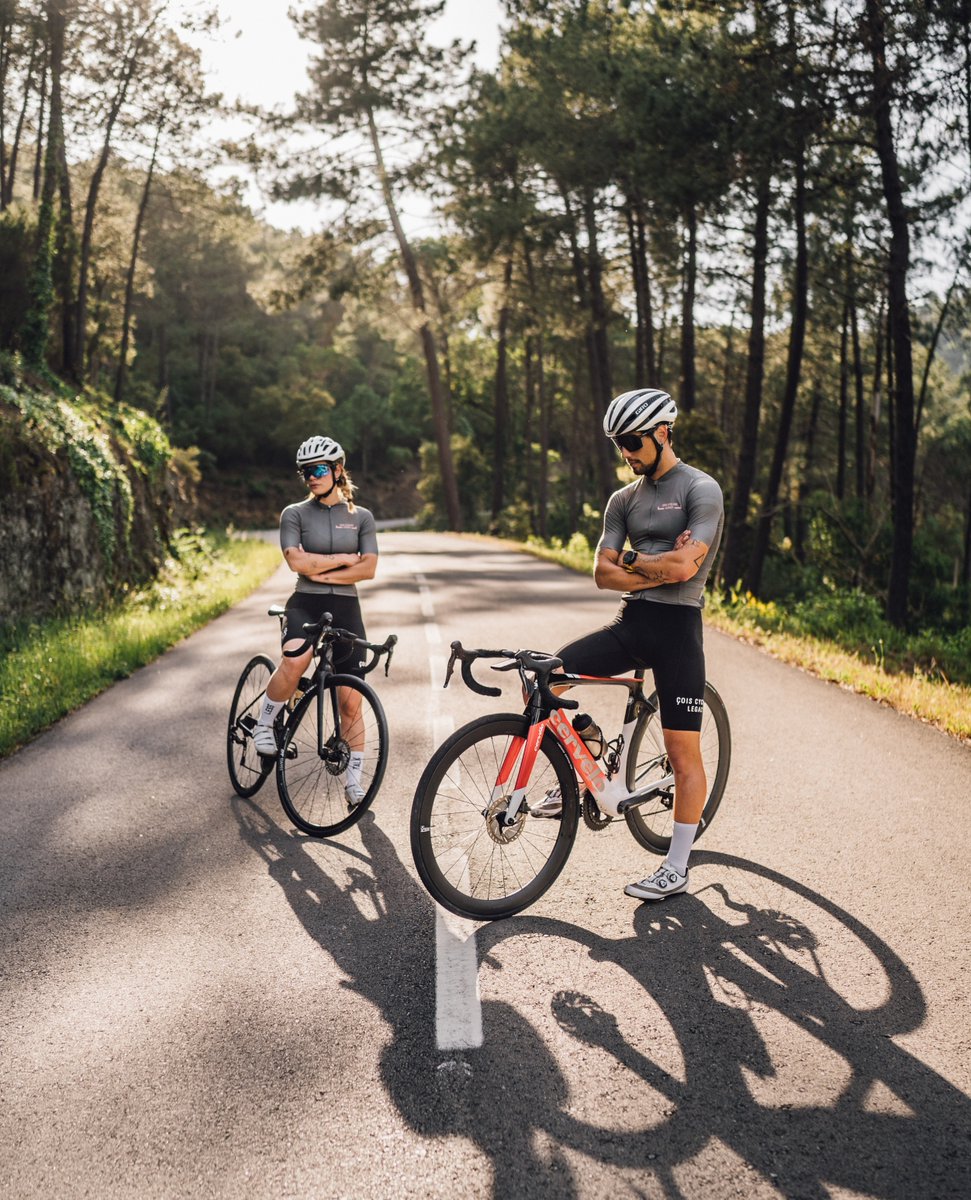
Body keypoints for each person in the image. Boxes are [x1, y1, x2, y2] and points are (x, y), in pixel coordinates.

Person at [532, 388, 724, 903]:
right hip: (630, 623)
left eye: (633, 441)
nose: (626, 452)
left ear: (663, 432)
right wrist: (656, 563)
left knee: (683, 754)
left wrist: (634, 562)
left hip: (678, 633)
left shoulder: (701, 491)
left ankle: (677, 866)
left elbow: (687, 569)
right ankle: (586, 751)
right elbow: (601, 573)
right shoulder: (624, 499)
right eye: (619, 443)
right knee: (546, 676)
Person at [251, 435, 379, 806]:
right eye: (306, 471)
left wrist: (319, 567)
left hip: (346, 607)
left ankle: (354, 782)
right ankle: (264, 724)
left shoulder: (361, 518)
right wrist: (345, 561)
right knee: (295, 658)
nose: (312, 476)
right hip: (304, 603)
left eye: (320, 469)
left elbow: (369, 568)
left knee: (351, 702)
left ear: (338, 471)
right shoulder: (294, 513)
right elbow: (296, 563)